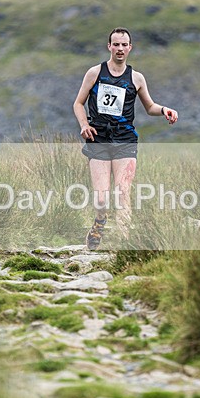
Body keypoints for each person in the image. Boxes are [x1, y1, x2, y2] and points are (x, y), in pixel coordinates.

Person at [72, 27, 178, 249]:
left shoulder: (136, 78)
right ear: (109, 46)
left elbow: (149, 106)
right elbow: (78, 103)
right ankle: (100, 221)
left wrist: (164, 110)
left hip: (125, 140)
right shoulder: (95, 73)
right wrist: (84, 125)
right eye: (116, 44)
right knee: (101, 199)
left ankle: (124, 245)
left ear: (130, 47)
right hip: (98, 140)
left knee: (123, 194)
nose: (120, 49)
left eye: (124, 45)